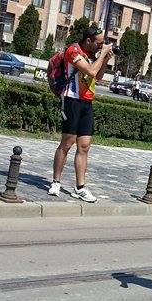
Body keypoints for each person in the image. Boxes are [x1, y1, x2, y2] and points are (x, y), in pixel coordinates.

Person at [47, 25, 114, 202]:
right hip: (72, 99)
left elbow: (97, 77)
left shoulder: (93, 55)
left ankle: (80, 187)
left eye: (103, 43)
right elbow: (90, 70)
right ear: (88, 41)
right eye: (99, 43)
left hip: (87, 101)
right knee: (67, 142)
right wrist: (102, 54)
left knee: (84, 146)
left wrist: (104, 59)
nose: (101, 46)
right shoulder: (74, 50)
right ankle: (56, 182)